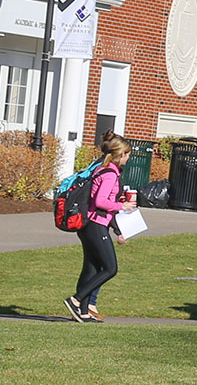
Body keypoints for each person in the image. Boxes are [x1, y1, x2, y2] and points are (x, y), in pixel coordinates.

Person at [64, 131, 136, 322]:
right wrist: (123, 206)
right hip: (96, 225)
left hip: (89, 225)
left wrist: (118, 230)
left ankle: (84, 311)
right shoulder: (110, 174)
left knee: (92, 269)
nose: (128, 158)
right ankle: (76, 300)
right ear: (121, 154)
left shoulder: (99, 169)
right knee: (110, 268)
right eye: (127, 155)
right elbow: (101, 201)